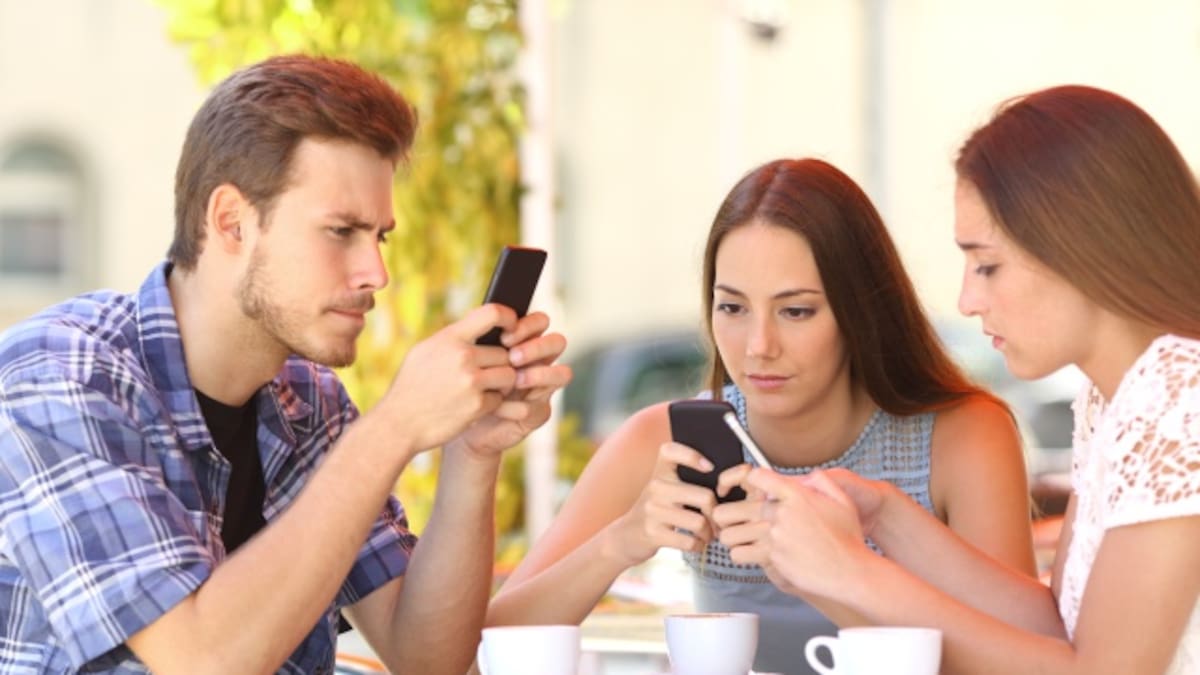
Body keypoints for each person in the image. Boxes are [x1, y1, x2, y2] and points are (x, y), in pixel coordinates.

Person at [0, 55, 570, 674]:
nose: (376, 273)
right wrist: (395, 426)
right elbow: (200, 661)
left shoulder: (310, 401)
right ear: (231, 222)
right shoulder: (60, 376)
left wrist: (472, 453)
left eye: (379, 236)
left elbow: (428, 659)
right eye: (341, 231)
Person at [486, 158, 1035, 674]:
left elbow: (1024, 659)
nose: (758, 346)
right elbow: (482, 653)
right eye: (732, 307)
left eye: (795, 311)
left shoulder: (962, 438)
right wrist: (619, 544)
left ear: (861, 311)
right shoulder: (662, 440)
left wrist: (828, 572)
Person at [719, 85, 1200, 674]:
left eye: (987, 265)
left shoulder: (1180, 398)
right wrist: (886, 519)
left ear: (1087, 246)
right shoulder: (1118, 399)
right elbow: (1055, 628)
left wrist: (854, 571)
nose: (967, 300)